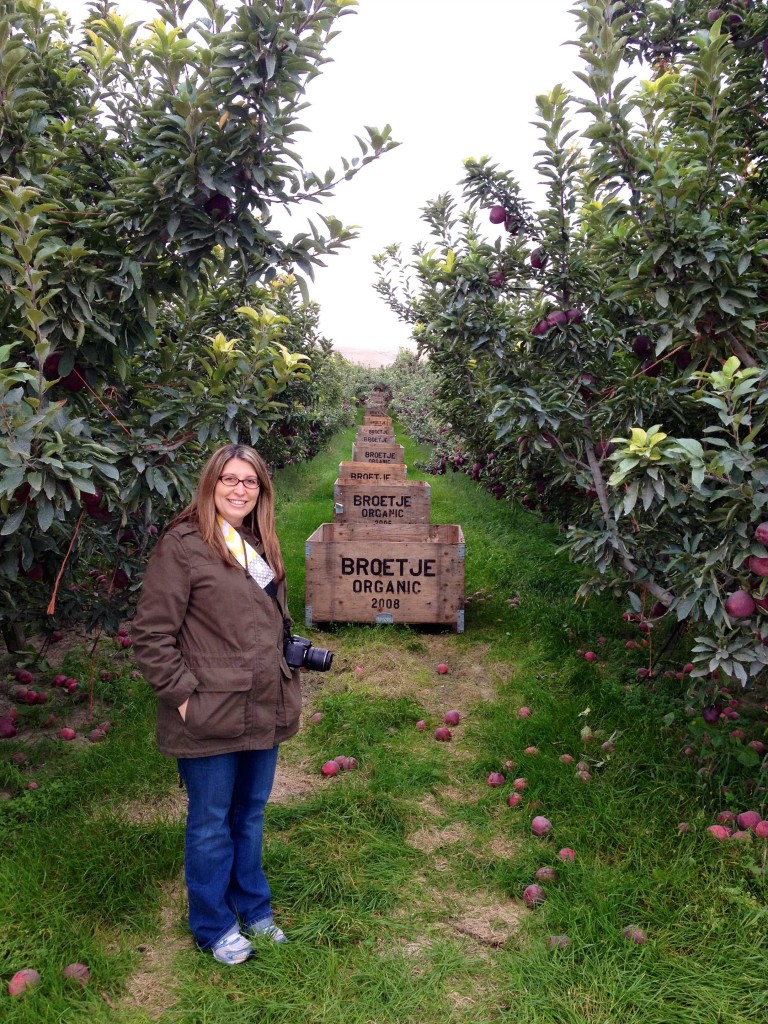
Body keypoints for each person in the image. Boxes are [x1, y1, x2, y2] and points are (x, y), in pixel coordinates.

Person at [132, 443, 301, 965]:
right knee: (210, 820)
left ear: (261, 491)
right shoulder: (183, 546)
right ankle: (212, 924)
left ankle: (254, 908)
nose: (238, 489)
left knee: (249, 815)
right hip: (208, 710)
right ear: (209, 485)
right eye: (228, 479)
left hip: (262, 704)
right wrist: (184, 699)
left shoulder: (260, 543)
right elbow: (151, 635)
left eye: (249, 482)